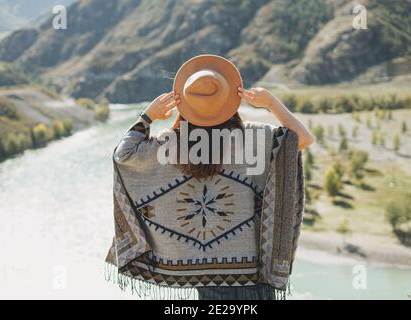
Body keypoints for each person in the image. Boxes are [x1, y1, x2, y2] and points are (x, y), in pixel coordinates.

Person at [105, 55, 314, 300]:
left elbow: (123, 155)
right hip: (252, 276)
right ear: (230, 101)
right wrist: (271, 103)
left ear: (184, 104)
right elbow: (303, 138)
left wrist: (148, 116)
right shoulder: (257, 139)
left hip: (205, 281)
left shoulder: (169, 145)